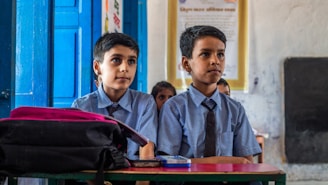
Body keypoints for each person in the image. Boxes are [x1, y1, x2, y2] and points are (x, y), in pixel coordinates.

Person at [157, 25, 261, 185]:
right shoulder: (174, 108)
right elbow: (169, 163)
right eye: (205, 54)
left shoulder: (235, 110)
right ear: (186, 64)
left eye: (221, 54)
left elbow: (246, 164)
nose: (215, 61)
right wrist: (221, 161)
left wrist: (195, 162)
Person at [72, 32, 158, 185]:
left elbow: (146, 146)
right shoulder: (82, 107)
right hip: (94, 178)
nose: (125, 68)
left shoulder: (145, 102)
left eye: (131, 61)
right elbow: (82, 154)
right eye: (116, 60)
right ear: (97, 67)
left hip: (133, 177)